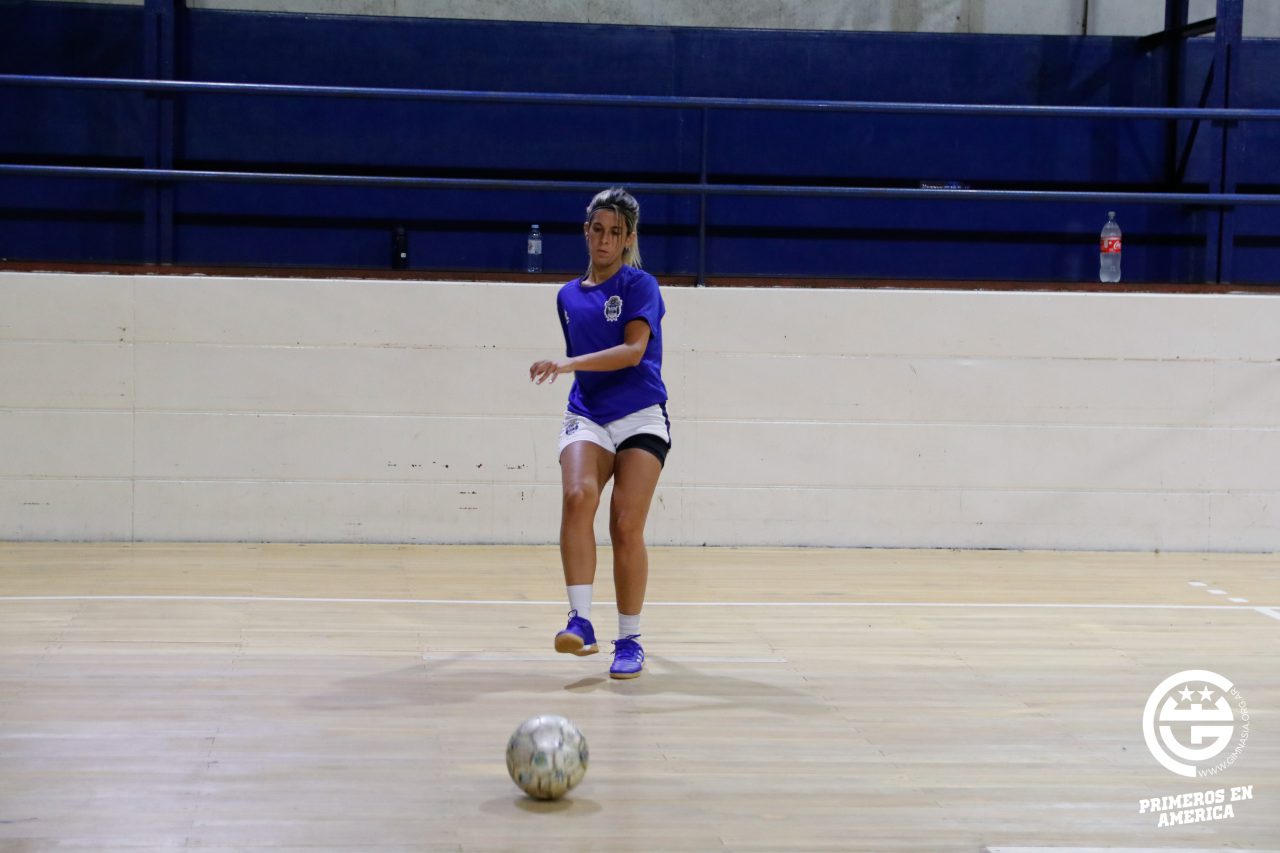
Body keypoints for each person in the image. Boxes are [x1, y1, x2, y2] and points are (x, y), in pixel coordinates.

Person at [529, 187, 670, 680]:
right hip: (587, 413)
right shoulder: (567, 296)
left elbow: (633, 352)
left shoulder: (640, 285)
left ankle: (629, 639)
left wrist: (567, 364)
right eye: (597, 229)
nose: (605, 239)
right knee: (577, 495)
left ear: (628, 238)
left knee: (625, 524)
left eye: (615, 232)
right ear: (585, 232)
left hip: (640, 414)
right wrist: (573, 370)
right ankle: (580, 621)